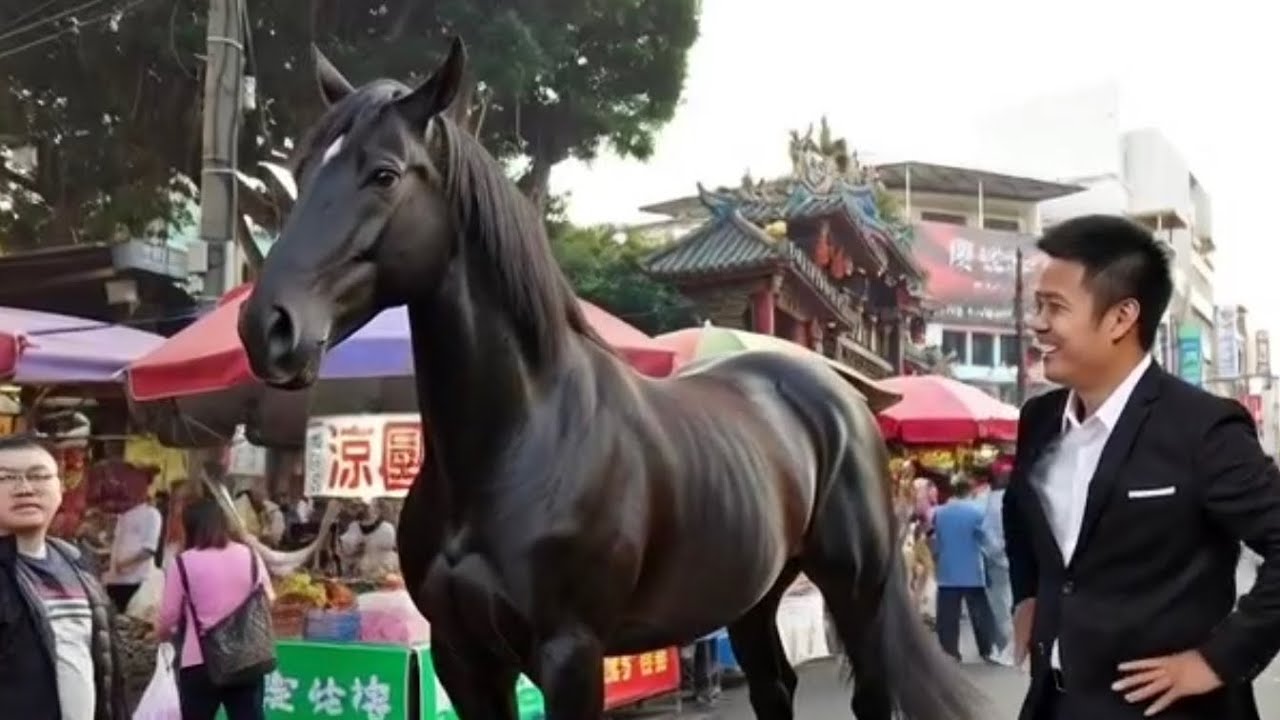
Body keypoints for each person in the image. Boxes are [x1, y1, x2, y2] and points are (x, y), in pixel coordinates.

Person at [1004, 215, 1280, 720]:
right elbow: (1019, 510)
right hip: (1053, 705)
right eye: (1037, 305)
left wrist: (1218, 660)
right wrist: (1026, 595)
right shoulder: (1039, 421)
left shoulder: (1203, 428)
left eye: (1055, 308)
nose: (1037, 323)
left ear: (1120, 318)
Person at [0, 433, 126, 719]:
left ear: (59, 488)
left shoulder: (78, 564)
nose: (25, 489)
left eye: (39, 476)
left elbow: (104, 667)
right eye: (6, 478)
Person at [155, 496, 273, 720]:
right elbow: (269, 599)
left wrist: (159, 636)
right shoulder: (250, 556)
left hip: (199, 662)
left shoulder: (182, 563)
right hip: (246, 659)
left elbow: (168, 617)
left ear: (190, 526)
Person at [931, 477, 1000, 662]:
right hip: (972, 569)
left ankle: (950, 651)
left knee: (947, 615)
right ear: (971, 491)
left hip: (947, 569)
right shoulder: (977, 511)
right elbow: (986, 539)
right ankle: (986, 649)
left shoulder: (940, 512)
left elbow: (936, 540)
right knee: (980, 613)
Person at [103, 474, 163, 613]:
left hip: (133, 581)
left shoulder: (151, 514)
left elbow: (148, 550)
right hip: (113, 579)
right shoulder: (123, 514)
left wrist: (124, 563)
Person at [980, 461, 1014, 665]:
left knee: (1000, 605)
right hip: (1011, 558)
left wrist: (993, 551)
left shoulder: (990, 502)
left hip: (996, 560)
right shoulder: (1012, 499)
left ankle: (1006, 648)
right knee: (1011, 602)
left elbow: (986, 532)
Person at [337, 500, 399, 579]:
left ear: (377, 508)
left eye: (369, 506)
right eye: (363, 506)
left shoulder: (387, 528)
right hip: (361, 572)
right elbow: (346, 550)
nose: (365, 510)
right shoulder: (354, 527)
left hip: (385, 571)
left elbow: (391, 546)